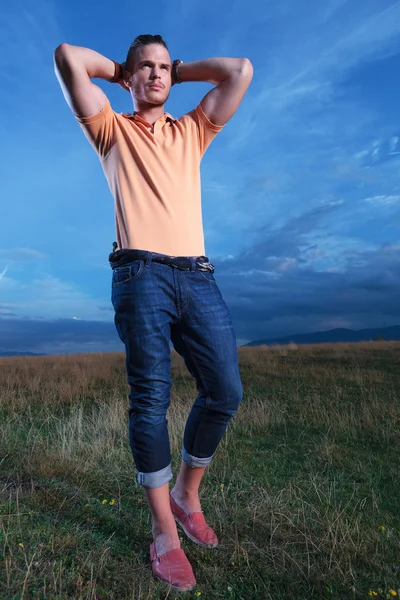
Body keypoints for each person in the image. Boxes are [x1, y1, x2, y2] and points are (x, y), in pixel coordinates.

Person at [54, 34, 253, 592]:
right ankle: (163, 528)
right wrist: (123, 70)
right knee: (151, 400)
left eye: (164, 68)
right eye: (148, 68)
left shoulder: (192, 130)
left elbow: (239, 69)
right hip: (140, 275)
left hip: (197, 275)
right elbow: (70, 57)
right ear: (130, 78)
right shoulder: (109, 129)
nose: (158, 75)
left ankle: (188, 494)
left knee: (226, 391)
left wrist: (180, 70)